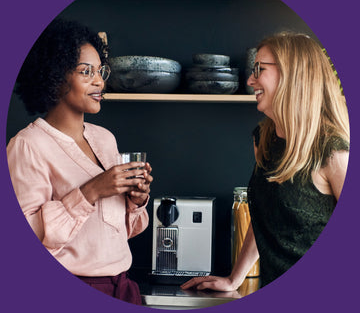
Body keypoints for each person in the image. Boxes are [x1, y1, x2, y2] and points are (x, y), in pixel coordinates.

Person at [181, 32, 350, 292]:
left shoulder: (333, 151)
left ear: (293, 74)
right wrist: (234, 278)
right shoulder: (265, 138)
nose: (250, 80)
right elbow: (265, 217)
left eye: (259, 69)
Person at [7, 18, 153, 305]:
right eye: (86, 72)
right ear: (55, 76)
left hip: (123, 289)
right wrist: (91, 191)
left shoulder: (105, 139)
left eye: (101, 71)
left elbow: (120, 231)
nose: (99, 81)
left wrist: (136, 201)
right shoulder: (27, 146)